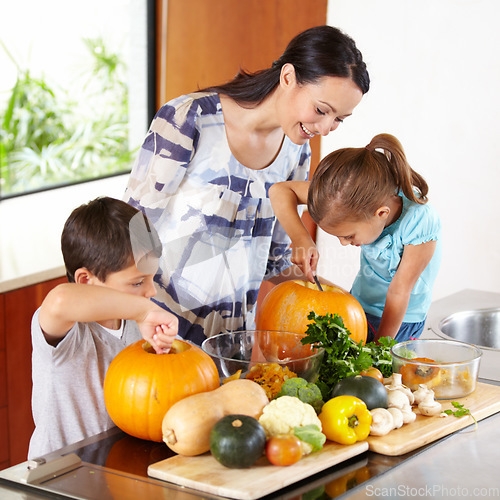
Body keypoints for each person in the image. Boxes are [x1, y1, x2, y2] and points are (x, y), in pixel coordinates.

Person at [124, 25, 370, 345]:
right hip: (158, 334)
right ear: (287, 78)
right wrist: (141, 310)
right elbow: (131, 225)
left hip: (231, 344)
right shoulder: (192, 118)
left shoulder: (296, 153)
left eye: (339, 119)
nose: (326, 127)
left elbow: (275, 264)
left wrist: (343, 302)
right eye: (321, 110)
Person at [28, 197, 178, 459]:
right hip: (56, 478)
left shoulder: (136, 323)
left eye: (152, 278)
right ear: (86, 280)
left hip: (113, 469)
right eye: (137, 282)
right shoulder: (69, 333)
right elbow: (60, 300)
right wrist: (142, 310)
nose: (151, 291)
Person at [269, 133, 441, 343]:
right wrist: (302, 239)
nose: (343, 243)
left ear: (381, 213)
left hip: (401, 322)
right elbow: (279, 191)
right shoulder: (344, 198)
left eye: (348, 236)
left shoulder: (419, 221)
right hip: (359, 308)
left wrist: (380, 348)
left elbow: (399, 291)